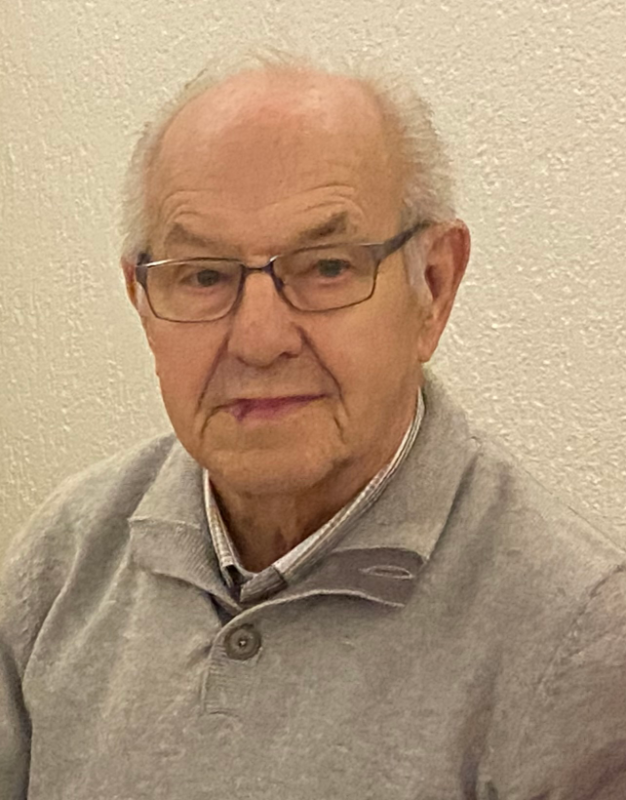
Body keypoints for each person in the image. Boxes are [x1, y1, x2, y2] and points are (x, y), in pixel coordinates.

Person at [1, 54, 625, 800]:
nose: (259, 340)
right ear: (142, 299)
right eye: (203, 275)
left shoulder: (581, 638)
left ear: (433, 285)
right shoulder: (64, 557)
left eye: (327, 267)